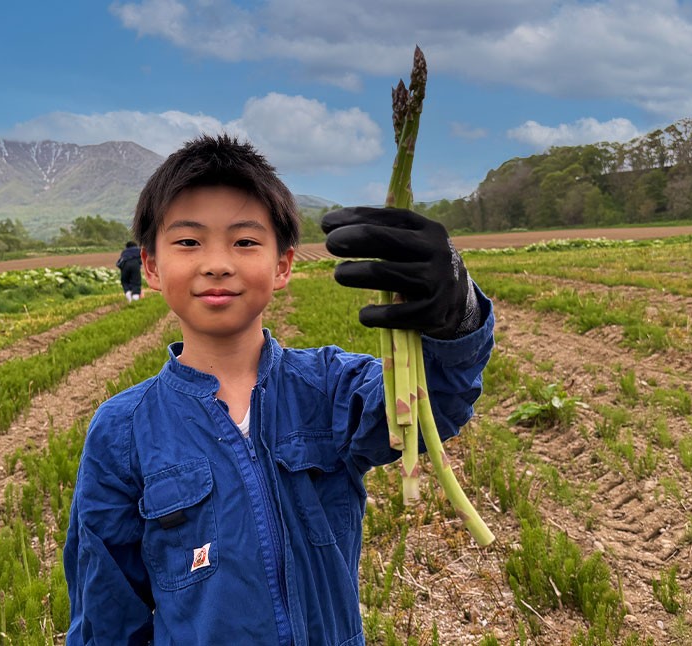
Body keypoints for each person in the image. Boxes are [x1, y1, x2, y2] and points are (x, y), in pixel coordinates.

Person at [63, 134, 494, 645]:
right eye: (188, 241)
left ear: (283, 264)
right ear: (151, 266)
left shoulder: (331, 387)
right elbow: (108, 611)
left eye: (245, 241)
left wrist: (457, 310)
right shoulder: (122, 430)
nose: (217, 263)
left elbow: (435, 406)